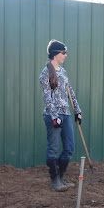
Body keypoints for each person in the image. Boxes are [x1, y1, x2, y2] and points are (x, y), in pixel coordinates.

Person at [39, 39, 82, 192]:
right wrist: (54, 116)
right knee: (53, 148)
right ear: (56, 54)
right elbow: (47, 97)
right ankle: (55, 181)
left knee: (69, 147)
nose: (65, 56)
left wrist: (77, 110)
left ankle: (61, 177)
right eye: (64, 53)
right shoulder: (45, 74)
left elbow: (70, 92)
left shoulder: (63, 72)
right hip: (54, 116)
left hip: (66, 114)